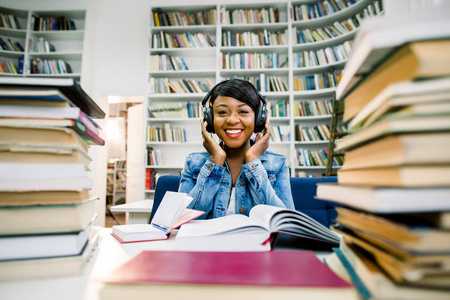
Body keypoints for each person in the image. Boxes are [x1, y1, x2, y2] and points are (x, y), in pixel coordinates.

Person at [179, 79, 294, 219]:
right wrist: (216, 161)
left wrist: (252, 161)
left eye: (243, 111)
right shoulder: (193, 163)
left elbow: (285, 223)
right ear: (209, 119)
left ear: (259, 118)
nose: (232, 120)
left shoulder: (277, 164)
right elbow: (182, 221)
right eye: (222, 112)